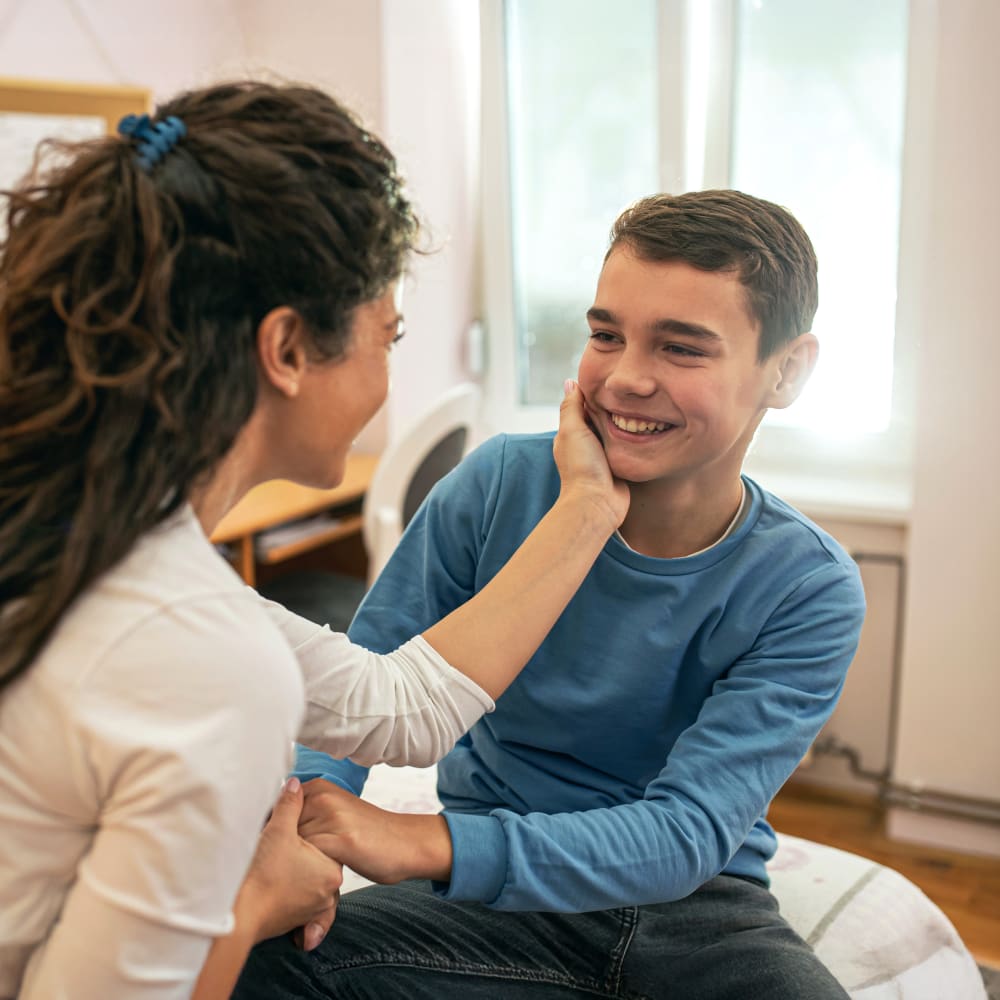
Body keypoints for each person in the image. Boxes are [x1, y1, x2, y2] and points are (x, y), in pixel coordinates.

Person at [0, 82, 628, 1000]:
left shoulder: (89, 536)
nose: (388, 372)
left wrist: (583, 512)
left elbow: (399, 706)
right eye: (389, 335)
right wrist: (258, 898)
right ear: (288, 349)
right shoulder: (198, 654)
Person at [235, 190, 868, 1000]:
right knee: (252, 961)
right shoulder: (498, 485)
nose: (628, 378)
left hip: (697, 917)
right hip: (485, 913)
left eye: (681, 348)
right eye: (607, 335)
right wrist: (307, 832)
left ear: (786, 371)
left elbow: (686, 833)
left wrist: (425, 843)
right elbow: (357, 693)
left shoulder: (808, 586)